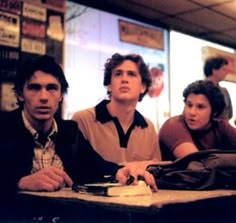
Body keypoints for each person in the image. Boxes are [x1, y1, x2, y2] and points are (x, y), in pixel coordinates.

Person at [0, 55, 157, 202]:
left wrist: (121, 172)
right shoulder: (4, 127)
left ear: (61, 95)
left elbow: (96, 164)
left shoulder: (69, 131)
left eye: (52, 88)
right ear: (20, 94)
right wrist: (19, 182)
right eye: (34, 88)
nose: (43, 97)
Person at [72, 53, 161, 169]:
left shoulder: (148, 127)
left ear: (143, 87)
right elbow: (76, 170)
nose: (124, 79)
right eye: (118, 74)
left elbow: (157, 169)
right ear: (109, 85)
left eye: (131, 74)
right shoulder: (83, 119)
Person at [159, 80, 236, 161]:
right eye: (189, 105)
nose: (192, 112)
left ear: (214, 112)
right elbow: (196, 163)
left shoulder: (220, 126)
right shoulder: (173, 125)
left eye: (200, 107)